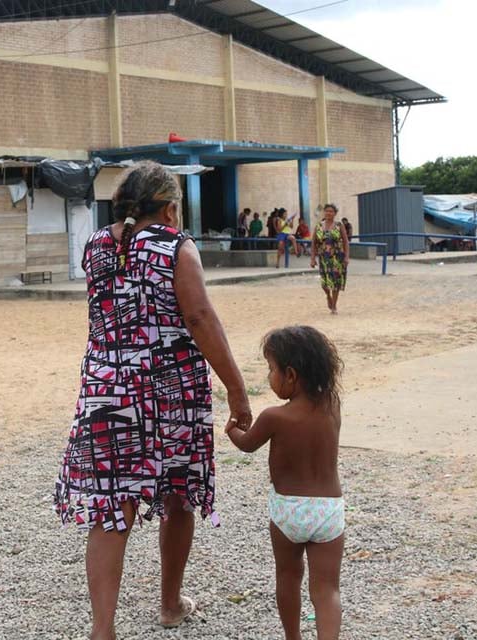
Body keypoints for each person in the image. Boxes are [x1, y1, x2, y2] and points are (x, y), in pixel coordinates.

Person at [54, 161, 252, 640]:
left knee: (110, 506)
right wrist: (237, 388)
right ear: (169, 208)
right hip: (171, 392)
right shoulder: (176, 247)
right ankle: (169, 603)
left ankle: (103, 629)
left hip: (106, 390)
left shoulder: (98, 246)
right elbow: (200, 317)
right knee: (179, 494)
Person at [225, 326, 345, 640]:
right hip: (328, 511)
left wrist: (232, 429)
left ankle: (293, 637)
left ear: (290, 375)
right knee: (327, 588)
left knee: (288, 577)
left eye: (271, 369)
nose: (270, 376)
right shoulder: (332, 407)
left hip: (288, 510)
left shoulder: (274, 417)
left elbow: (247, 444)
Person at [311, 204, 349, 314]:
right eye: (327, 211)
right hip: (324, 258)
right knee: (325, 282)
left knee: (336, 281)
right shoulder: (318, 226)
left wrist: (346, 257)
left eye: (331, 211)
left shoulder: (339, 225)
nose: (328, 213)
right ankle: (328, 295)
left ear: (335, 213)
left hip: (337, 257)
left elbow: (346, 241)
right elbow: (313, 243)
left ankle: (334, 306)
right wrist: (313, 258)